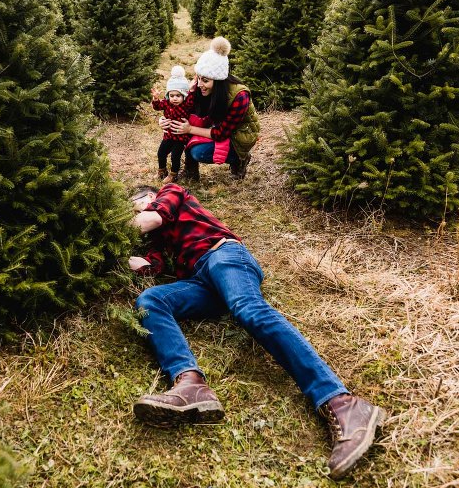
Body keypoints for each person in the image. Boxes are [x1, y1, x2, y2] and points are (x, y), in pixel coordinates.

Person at [127, 183, 385, 481]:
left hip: (223, 256)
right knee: (150, 301)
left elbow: (154, 217)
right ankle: (191, 384)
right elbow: (153, 263)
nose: (134, 210)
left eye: (134, 204)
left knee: (248, 309)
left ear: (147, 197)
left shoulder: (169, 192)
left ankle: (342, 402)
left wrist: (117, 224)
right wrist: (141, 264)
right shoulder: (157, 239)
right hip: (200, 282)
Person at [163, 37, 260, 181]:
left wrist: (189, 129)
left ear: (219, 80)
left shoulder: (240, 96)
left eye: (205, 80)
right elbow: (182, 111)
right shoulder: (201, 87)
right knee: (183, 123)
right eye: (199, 78)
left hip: (238, 135)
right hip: (216, 126)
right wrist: (164, 120)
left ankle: (239, 159)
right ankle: (191, 170)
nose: (200, 84)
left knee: (198, 152)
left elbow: (221, 134)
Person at [151, 65, 195, 184]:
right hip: (168, 135)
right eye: (172, 95)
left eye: (178, 96)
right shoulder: (166, 103)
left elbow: (191, 100)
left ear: (183, 96)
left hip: (180, 137)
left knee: (175, 156)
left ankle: (173, 174)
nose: (174, 98)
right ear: (168, 95)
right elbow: (157, 106)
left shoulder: (185, 105)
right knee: (161, 153)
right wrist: (155, 99)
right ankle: (162, 170)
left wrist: (190, 90)